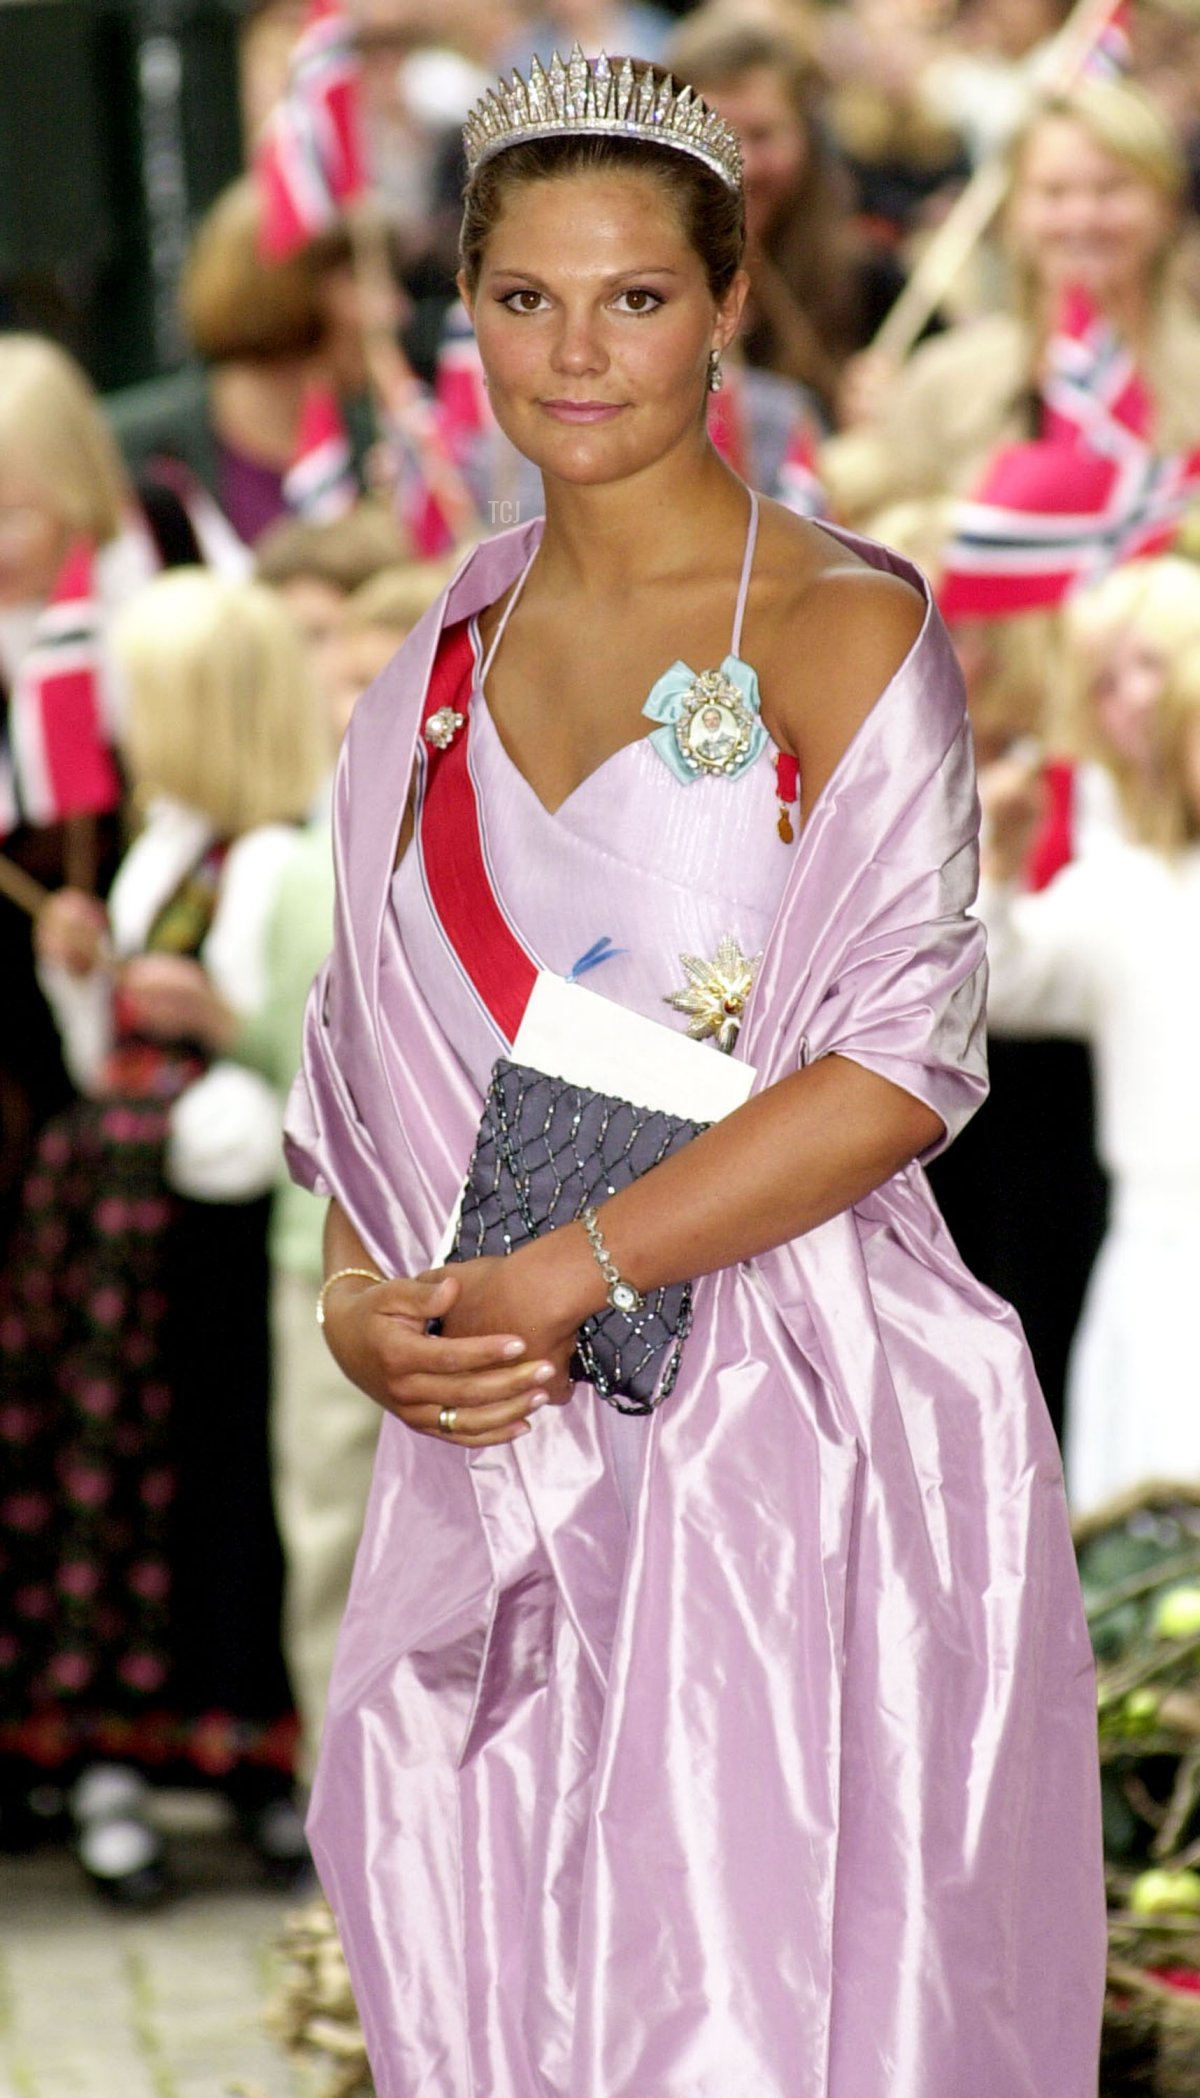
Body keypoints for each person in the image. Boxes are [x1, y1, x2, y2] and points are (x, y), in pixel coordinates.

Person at [284, 49, 1105, 2098]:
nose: (578, 352)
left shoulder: (845, 623)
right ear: (464, 312)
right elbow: (363, 1061)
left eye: (635, 296)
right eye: (526, 297)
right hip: (495, 1424)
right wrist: (363, 1312)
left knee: (760, 2006)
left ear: (729, 302)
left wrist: (570, 1271)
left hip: (791, 1425)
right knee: (494, 1990)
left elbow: (902, 1059)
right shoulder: (434, 659)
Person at [0, 569, 327, 1902]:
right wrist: (80, 975)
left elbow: (313, 1061)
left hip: (212, 1231)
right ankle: (110, 1757)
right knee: (112, 1481)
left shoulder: (284, 865)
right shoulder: (157, 850)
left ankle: (245, 1751)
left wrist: (220, 1026)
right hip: (115, 1225)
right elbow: (101, 1060)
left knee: (220, 1481)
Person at [977, 573, 1200, 1512]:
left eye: (1150, 664)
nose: (1132, 699)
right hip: (1162, 1280)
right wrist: (998, 862)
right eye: (1104, 682)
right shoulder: (1125, 887)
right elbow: (997, 985)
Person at [823, 75, 1200, 520]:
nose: (1081, 217)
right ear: (1014, 211)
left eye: (1110, 189)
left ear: (1166, 205)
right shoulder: (945, 379)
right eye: (1054, 193)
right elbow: (852, 516)